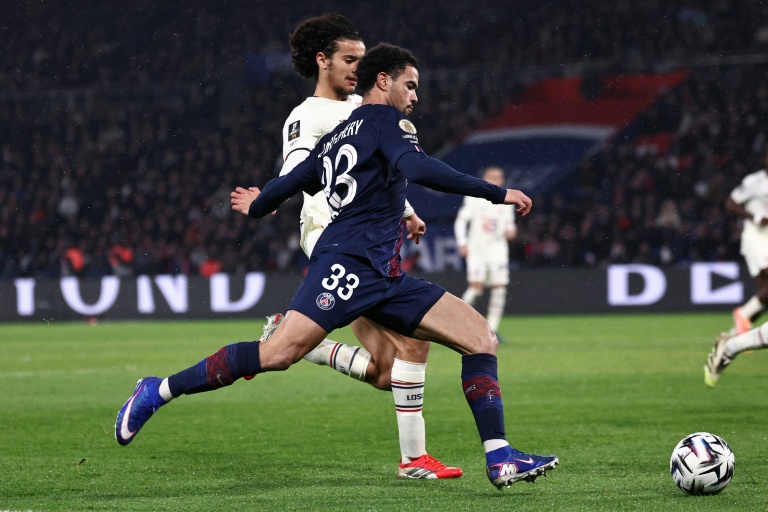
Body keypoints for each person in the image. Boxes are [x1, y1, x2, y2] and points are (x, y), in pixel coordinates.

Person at [115, 43, 558, 490]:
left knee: (479, 336)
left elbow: (289, 183)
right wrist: (497, 193)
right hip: (346, 265)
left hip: (384, 275)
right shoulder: (389, 123)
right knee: (277, 354)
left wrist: (257, 205)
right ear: (383, 81)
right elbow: (417, 168)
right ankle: (159, 389)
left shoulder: (337, 137)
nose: (415, 96)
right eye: (410, 84)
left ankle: (499, 457)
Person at [260, 13, 459, 479]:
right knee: (412, 344)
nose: (358, 68)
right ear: (321, 60)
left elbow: (372, 168)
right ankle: (413, 461)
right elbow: (303, 171)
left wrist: (406, 209)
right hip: (338, 241)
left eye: (363, 60)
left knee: (389, 370)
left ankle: (299, 341)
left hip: (371, 238)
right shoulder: (305, 117)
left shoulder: (363, 109)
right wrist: (272, 195)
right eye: (349, 59)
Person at [454, 166, 516, 339]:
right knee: (476, 288)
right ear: (484, 179)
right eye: (492, 177)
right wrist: (462, 242)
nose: (496, 180)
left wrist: (511, 231)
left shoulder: (507, 199)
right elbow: (460, 220)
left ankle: (492, 331)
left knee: (499, 289)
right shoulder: (474, 196)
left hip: (498, 250)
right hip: (477, 250)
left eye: (499, 177)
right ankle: (456, 325)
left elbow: (510, 226)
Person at [725, 151, 768, 336]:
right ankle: (742, 314)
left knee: (764, 297)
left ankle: (730, 340)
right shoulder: (755, 182)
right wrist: (755, 216)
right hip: (756, 237)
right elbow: (731, 204)